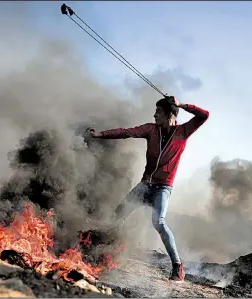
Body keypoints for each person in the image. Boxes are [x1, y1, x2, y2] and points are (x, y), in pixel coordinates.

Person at [87, 96, 209, 282]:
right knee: (118, 215)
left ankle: (177, 266)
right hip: (144, 186)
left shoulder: (183, 131)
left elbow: (204, 115)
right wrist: (101, 135)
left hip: (163, 189)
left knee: (158, 222)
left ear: (170, 114)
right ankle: (105, 253)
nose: (154, 115)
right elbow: (126, 132)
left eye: (158, 112)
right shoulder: (151, 130)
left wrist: (182, 105)